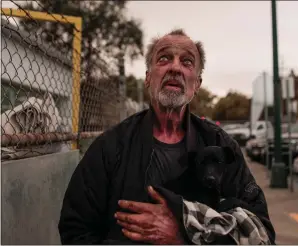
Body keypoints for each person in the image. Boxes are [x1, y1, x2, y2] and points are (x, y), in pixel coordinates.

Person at [58, 29, 275, 245]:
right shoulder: (111, 147)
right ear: (148, 77)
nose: (175, 67)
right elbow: (75, 229)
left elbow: (261, 230)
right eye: (164, 58)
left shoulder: (220, 146)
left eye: (187, 62)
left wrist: (185, 235)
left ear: (197, 84)